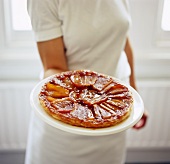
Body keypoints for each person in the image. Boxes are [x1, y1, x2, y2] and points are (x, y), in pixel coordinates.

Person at [25, 0, 148, 164]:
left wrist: (133, 95)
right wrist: (89, 106)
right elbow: (54, 67)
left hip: (114, 120)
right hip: (65, 128)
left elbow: (121, 38)